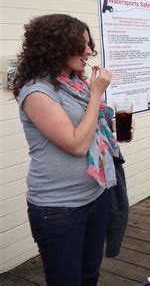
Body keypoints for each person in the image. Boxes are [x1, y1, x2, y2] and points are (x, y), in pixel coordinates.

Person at [13, 14, 125, 285]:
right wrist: (97, 94)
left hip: (95, 195)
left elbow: (90, 126)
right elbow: (76, 144)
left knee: (90, 275)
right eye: (81, 44)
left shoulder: (74, 85)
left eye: (89, 44)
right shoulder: (37, 91)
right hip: (59, 208)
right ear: (56, 46)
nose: (88, 51)